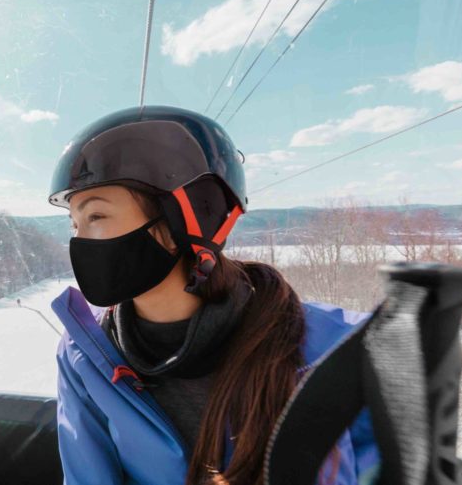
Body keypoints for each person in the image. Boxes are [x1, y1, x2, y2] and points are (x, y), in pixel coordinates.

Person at [48, 106, 377, 485]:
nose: (79, 242)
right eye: (75, 224)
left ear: (184, 221)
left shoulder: (333, 349)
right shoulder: (84, 357)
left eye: (97, 217)